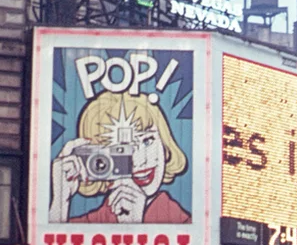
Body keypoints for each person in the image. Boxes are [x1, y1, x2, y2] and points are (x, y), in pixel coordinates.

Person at [48, 91, 191, 224]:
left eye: (148, 141)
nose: (140, 160)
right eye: (121, 149)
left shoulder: (185, 223)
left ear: (164, 144)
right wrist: (60, 201)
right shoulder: (93, 220)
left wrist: (136, 224)